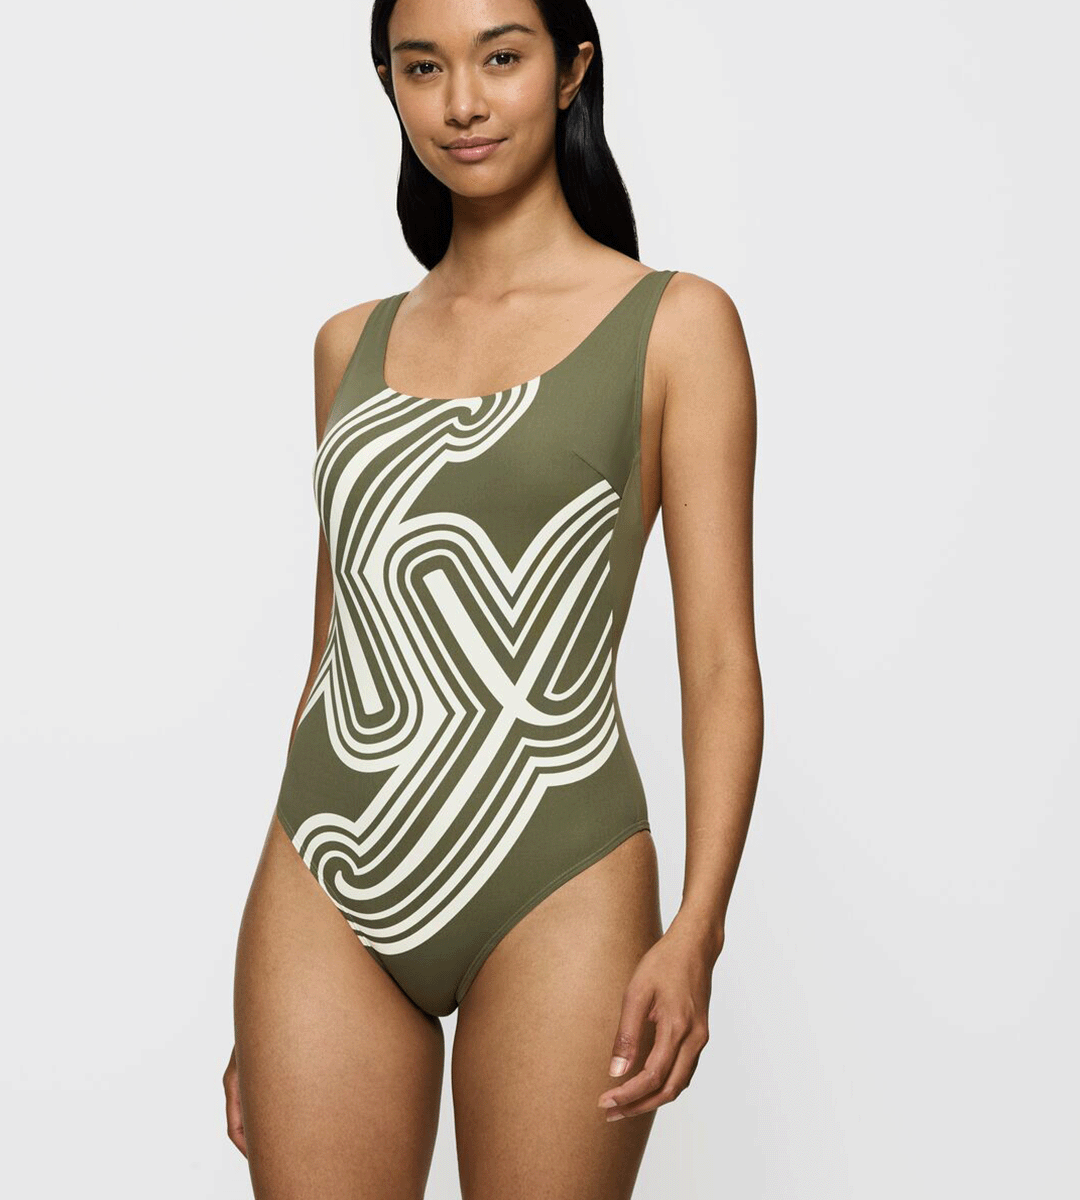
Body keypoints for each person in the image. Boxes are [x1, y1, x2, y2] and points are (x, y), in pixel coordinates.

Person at [225, 0, 762, 1195]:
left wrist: (698, 930)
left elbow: (721, 659)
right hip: (326, 869)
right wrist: (267, 994)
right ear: (391, 84)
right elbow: (336, 649)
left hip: (557, 871)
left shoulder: (677, 326)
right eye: (423, 67)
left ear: (571, 70)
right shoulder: (347, 345)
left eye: (501, 57)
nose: (462, 102)